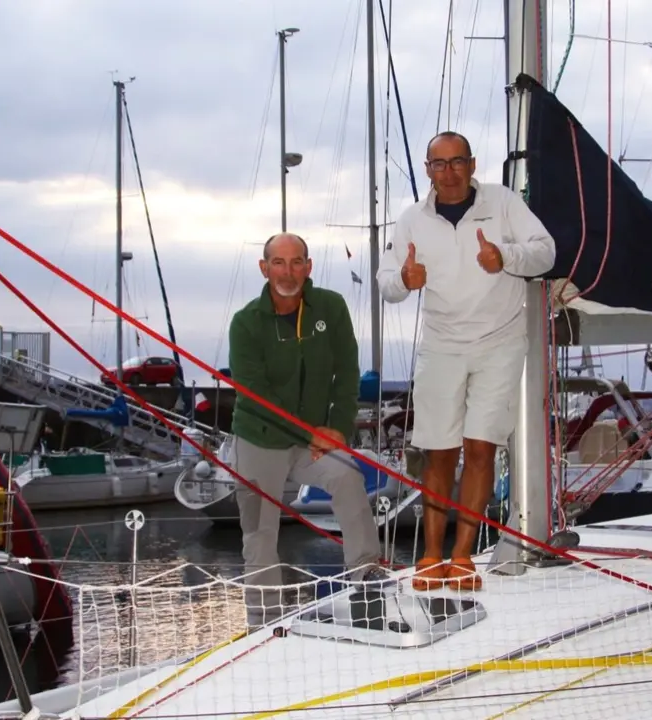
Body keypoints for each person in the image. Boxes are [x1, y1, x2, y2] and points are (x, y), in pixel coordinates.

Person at [376, 130, 557, 591]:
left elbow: (545, 251)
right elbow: (386, 283)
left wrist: (505, 257)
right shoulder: (411, 218)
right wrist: (405, 277)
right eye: (440, 164)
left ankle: (462, 556)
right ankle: (431, 554)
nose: (449, 172)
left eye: (458, 162)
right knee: (439, 451)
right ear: (427, 169)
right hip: (441, 345)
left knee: (480, 449)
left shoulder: (503, 202)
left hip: (499, 342)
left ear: (473, 165)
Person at [227, 232, 384, 626]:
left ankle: (367, 576)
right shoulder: (245, 323)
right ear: (264, 269)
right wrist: (310, 433)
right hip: (259, 439)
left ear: (308, 267)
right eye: (278, 263)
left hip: (314, 440)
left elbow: (346, 372)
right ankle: (264, 620)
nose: (288, 271)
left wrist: (336, 428)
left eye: (296, 262)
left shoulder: (330, 308)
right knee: (259, 531)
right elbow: (255, 392)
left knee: (348, 477)